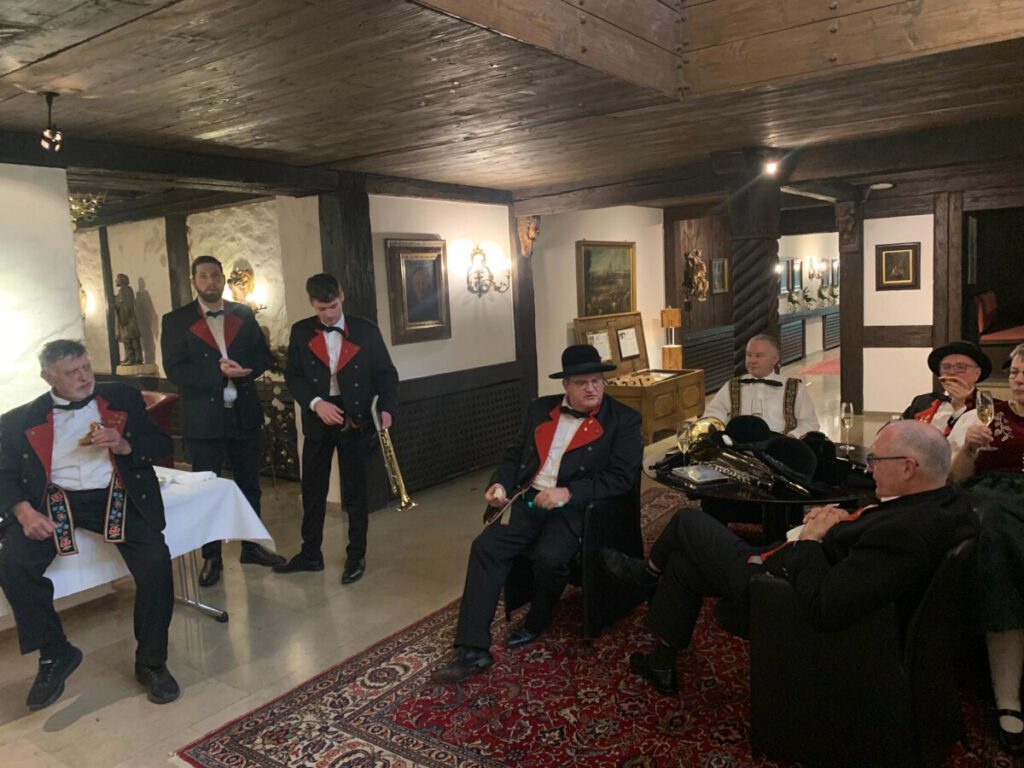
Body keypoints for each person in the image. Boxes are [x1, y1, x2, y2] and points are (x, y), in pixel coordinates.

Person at [603, 419, 977, 696]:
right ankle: (662, 660)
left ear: (908, 468)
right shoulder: (943, 502)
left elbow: (826, 606)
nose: (869, 468)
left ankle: (646, 574)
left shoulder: (904, 534)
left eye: (876, 460)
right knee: (684, 565)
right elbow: (867, 552)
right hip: (793, 564)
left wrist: (812, 540)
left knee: (686, 521)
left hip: (774, 587)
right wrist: (838, 521)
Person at [431, 344, 643, 683]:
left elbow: (621, 478)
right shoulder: (539, 409)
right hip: (528, 499)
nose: (592, 388)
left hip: (575, 507)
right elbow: (514, 454)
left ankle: (539, 617)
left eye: (597, 381)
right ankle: (472, 649)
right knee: (486, 547)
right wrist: (499, 483)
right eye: (582, 382)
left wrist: (568, 493)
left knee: (549, 557)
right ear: (565, 385)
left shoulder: (625, 420)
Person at [0, 340, 179, 710]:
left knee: (156, 563)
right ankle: (55, 652)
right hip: (55, 500)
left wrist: (124, 444)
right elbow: (5, 474)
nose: (84, 377)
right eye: (72, 372)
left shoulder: (123, 397)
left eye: (86, 367)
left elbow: (161, 443)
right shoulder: (18, 420)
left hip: (116, 493)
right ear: (47, 377)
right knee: (13, 562)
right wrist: (23, 512)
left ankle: (152, 663)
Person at [160, 255, 283, 586]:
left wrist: (245, 370)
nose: (210, 281)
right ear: (194, 281)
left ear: (223, 279)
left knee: (249, 483)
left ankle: (251, 546)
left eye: (215, 275)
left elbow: (262, 355)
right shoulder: (175, 320)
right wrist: (216, 372)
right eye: (204, 276)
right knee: (207, 488)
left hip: (243, 411)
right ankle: (211, 556)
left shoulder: (242, 313)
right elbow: (175, 369)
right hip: (204, 416)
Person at [275, 273, 399, 584]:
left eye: (333, 306)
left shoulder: (366, 330)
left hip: (355, 417)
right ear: (312, 304)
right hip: (318, 415)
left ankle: (356, 556)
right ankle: (310, 554)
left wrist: (387, 408)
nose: (329, 314)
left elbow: (386, 374)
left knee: (355, 492)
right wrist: (316, 403)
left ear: (341, 296)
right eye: (322, 309)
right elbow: (293, 376)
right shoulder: (301, 331)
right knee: (313, 489)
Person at [949, 343, 1024, 756]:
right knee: (995, 531)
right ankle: (1007, 696)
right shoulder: (989, 413)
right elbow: (957, 478)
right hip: (992, 498)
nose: (1019, 380)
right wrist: (969, 449)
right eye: (1014, 373)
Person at [703, 334, 819, 437]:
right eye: (749, 355)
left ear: (775, 359)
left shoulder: (795, 388)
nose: (752, 360)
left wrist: (792, 437)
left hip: (780, 448)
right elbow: (712, 416)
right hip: (740, 449)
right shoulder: (732, 386)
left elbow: (810, 423)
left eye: (758, 356)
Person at [903, 340, 989, 450]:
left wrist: (960, 408)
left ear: (977, 373)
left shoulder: (989, 407)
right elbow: (900, 433)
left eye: (960, 367)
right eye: (946, 367)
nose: (951, 372)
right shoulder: (922, 401)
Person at [114, 273, 143, 366]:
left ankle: (135, 358)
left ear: (121, 280)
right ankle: (129, 356)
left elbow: (126, 305)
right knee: (126, 340)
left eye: (117, 279)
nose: (116, 281)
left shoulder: (126, 290)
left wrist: (123, 317)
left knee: (132, 339)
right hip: (125, 320)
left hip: (128, 320)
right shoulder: (122, 292)